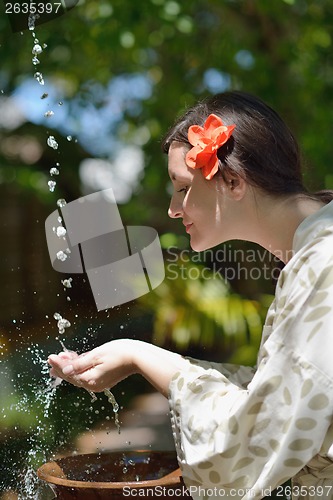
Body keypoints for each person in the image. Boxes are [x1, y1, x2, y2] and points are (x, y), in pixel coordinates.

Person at [48, 91, 333, 500]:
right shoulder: (317, 251)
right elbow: (280, 394)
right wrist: (137, 354)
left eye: (182, 187)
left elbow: (247, 446)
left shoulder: (323, 260)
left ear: (233, 181)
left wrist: (144, 355)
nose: (172, 209)